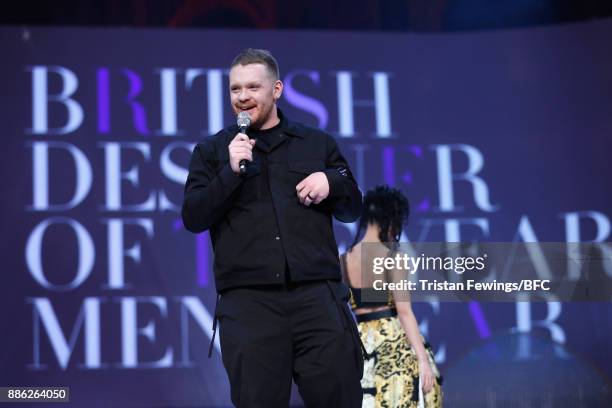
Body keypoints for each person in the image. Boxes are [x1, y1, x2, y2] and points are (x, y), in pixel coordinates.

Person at [182, 48, 364, 408]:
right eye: (235, 89)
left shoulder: (316, 143)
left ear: (276, 89)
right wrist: (229, 173)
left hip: (317, 297)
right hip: (250, 306)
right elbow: (193, 217)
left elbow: (352, 207)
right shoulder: (213, 151)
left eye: (253, 87)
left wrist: (332, 182)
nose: (243, 97)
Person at [340, 185, 443, 408]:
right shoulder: (392, 257)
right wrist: (423, 361)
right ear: (392, 219)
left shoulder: (344, 259)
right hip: (394, 346)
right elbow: (404, 312)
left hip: (361, 347)